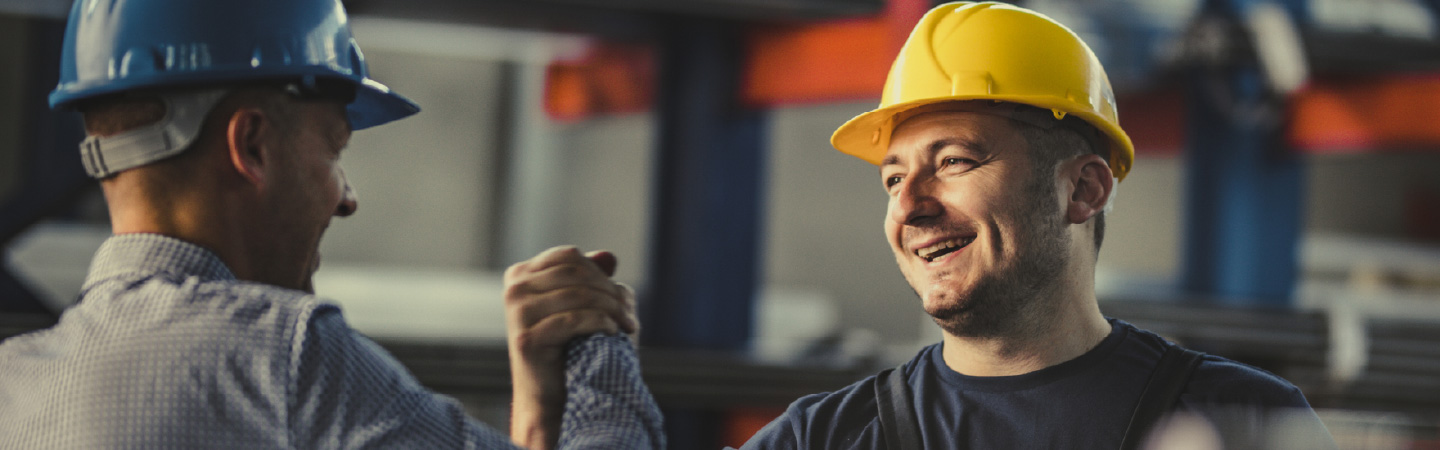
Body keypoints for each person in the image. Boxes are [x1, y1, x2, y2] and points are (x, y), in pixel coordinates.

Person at [0, 0, 662, 448]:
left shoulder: (14, 387)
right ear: (252, 145)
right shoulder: (282, 358)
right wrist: (594, 346)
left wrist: (539, 415)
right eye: (334, 151)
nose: (345, 200)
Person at [737, 2, 1337, 449]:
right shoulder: (817, 438)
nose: (909, 205)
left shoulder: (1240, 421)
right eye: (893, 178)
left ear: (1084, 189)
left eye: (954, 161)